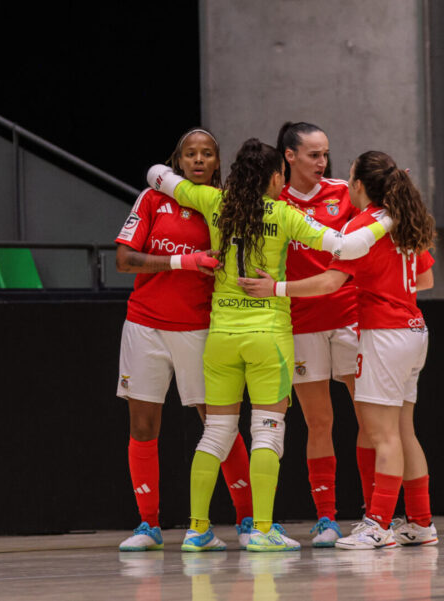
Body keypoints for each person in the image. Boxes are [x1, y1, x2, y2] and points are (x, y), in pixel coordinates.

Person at [145, 138, 392, 552]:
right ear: (276, 176)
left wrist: (164, 174)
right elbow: (346, 247)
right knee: (267, 433)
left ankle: (197, 530)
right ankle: (261, 531)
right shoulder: (285, 215)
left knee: (216, 434)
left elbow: (157, 173)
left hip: (221, 337)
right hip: (269, 338)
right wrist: (388, 218)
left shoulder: (214, 203)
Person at [239, 150, 439, 550]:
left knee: (382, 434)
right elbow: (427, 279)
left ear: (361, 186)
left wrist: (276, 287)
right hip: (415, 329)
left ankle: (378, 525)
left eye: (350, 179)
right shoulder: (404, 220)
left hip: (385, 334)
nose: (346, 185)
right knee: (403, 430)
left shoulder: (366, 224)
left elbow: (329, 283)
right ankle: (420, 522)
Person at [114, 128, 254, 552]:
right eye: (190, 154)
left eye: (206, 153)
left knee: (219, 423)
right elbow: (124, 260)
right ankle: (148, 525)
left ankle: (248, 520)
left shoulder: (223, 207)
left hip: (200, 329)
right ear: (178, 160)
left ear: (217, 162)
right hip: (145, 326)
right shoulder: (153, 200)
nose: (198, 160)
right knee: (143, 425)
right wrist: (184, 261)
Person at [276, 122, 363, 547]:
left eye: (325, 153)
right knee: (319, 421)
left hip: (349, 317)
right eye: (313, 154)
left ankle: (375, 516)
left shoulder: (344, 193)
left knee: (369, 416)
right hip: (300, 324)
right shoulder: (274, 200)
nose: (321, 162)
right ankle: (326, 519)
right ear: (289, 156)